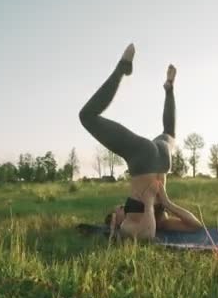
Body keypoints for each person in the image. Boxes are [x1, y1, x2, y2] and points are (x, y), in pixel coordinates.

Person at [79, 43, 203, 240]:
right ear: (115, 222)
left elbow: (157, 227)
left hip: (160, 158)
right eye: (116, 212)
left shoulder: (150, 217)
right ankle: (123, 69)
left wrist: (153, 204)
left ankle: (169, 88)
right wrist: (163, 204)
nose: (119, 208)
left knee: (169, 133)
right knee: (87, 116)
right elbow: (155, 233)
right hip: (147, 157)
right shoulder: (128, 224)